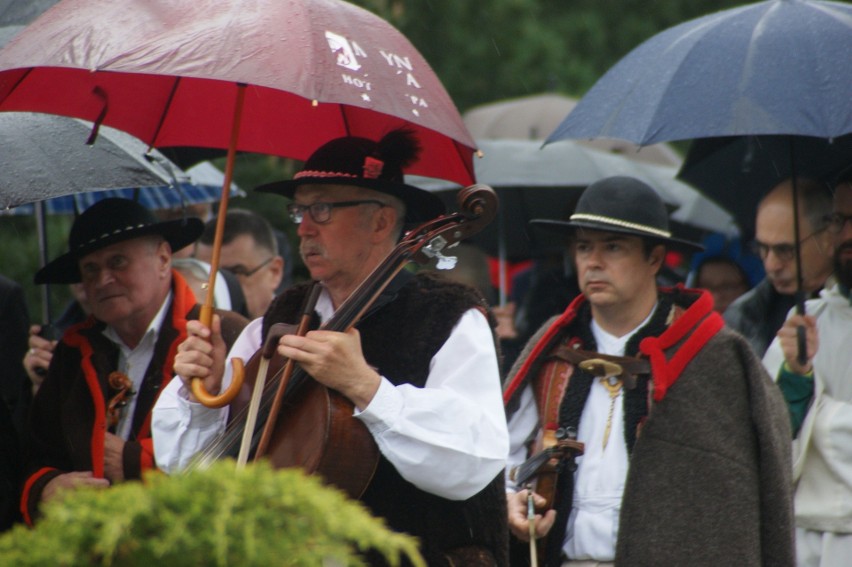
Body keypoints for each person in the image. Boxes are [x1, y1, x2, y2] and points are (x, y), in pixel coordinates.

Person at [152, 129, 510, 566]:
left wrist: (367, 388)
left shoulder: (450, 317)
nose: (303, 228)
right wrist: (206, 397)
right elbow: (186, 465)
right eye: (299, 210)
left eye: (321, 208)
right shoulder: (276, 321)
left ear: (380, 221)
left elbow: (475, 458)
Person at [502, 176, 794, 566]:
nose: (594, 262)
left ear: (655, 258)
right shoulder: (554, 349)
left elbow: (741, 492)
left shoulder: (713, 356)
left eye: (614, 247)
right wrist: (511, 498)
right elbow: (500, 455)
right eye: (584, 246)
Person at [20, 198, 248, 526]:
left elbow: (246, 447)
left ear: (163, 258)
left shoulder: (224, 335)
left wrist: (131, 462)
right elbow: (36, 453)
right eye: (90, 269)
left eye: (118, 262)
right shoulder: (71, 352)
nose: (103, 280)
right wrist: (47, 488)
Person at [763, 178, 852, 567]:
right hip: (804, 547)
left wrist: (823, 414)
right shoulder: (806, 322)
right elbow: (768, 443)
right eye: (838, 220)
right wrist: (797, 378)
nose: (845, 235)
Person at [724, 178, 834, 357]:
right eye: (762, 248)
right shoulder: (743, 317)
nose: (771, 265)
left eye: (785, 250)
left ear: (828, 237)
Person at [195, 208, 285, 320]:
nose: (221, 286)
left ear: (274, 272)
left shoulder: (299, 331)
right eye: (209, 275)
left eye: (235, 272)